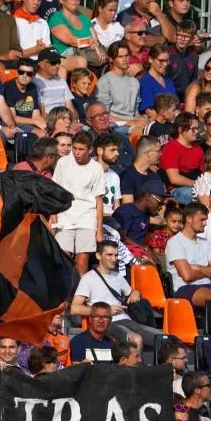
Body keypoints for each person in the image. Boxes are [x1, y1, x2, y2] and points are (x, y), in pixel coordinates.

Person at [71, 240, 156, 347]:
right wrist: (106, 311)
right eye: (109, 255)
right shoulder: (88, 278)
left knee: (163, 338)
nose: (114, 259)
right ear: (98, 256)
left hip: (126, 320)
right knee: (135, 339)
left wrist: (135, 292)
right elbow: (74, 308)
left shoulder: (118, 276)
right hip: (106, 322)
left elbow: (130, 293)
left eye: (116, 255)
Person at [52, 130, 105, 274]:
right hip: (64, 215)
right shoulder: (63, 163)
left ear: (90, 149)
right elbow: (55, 190)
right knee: (62, 258)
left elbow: (98, 200)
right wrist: (53, 216)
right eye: (74, 148)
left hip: (87, 218)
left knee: (82, 260)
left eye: (81, 149)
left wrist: (99, 229)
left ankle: (80, 288)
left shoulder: (96, 168)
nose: (76, 152)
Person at [161, 112, 205, 205]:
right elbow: (174, 179)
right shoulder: (171, 147)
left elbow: (204, 172)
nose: (197, 132)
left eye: (197, 128)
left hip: (195, 184)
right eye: (193, 129)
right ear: (180, 130)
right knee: (194, 195)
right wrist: (197, 184)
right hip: (176, 189)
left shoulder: (197, 148)